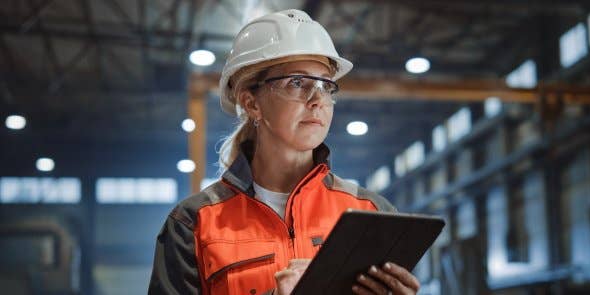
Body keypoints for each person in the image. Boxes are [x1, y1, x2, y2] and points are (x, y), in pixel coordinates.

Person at [148, 9, 420, 295]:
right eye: (297, 83)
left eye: (325, 85)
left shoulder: (372, 214)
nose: (317, 100)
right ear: (252, 104)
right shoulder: (193, 224)